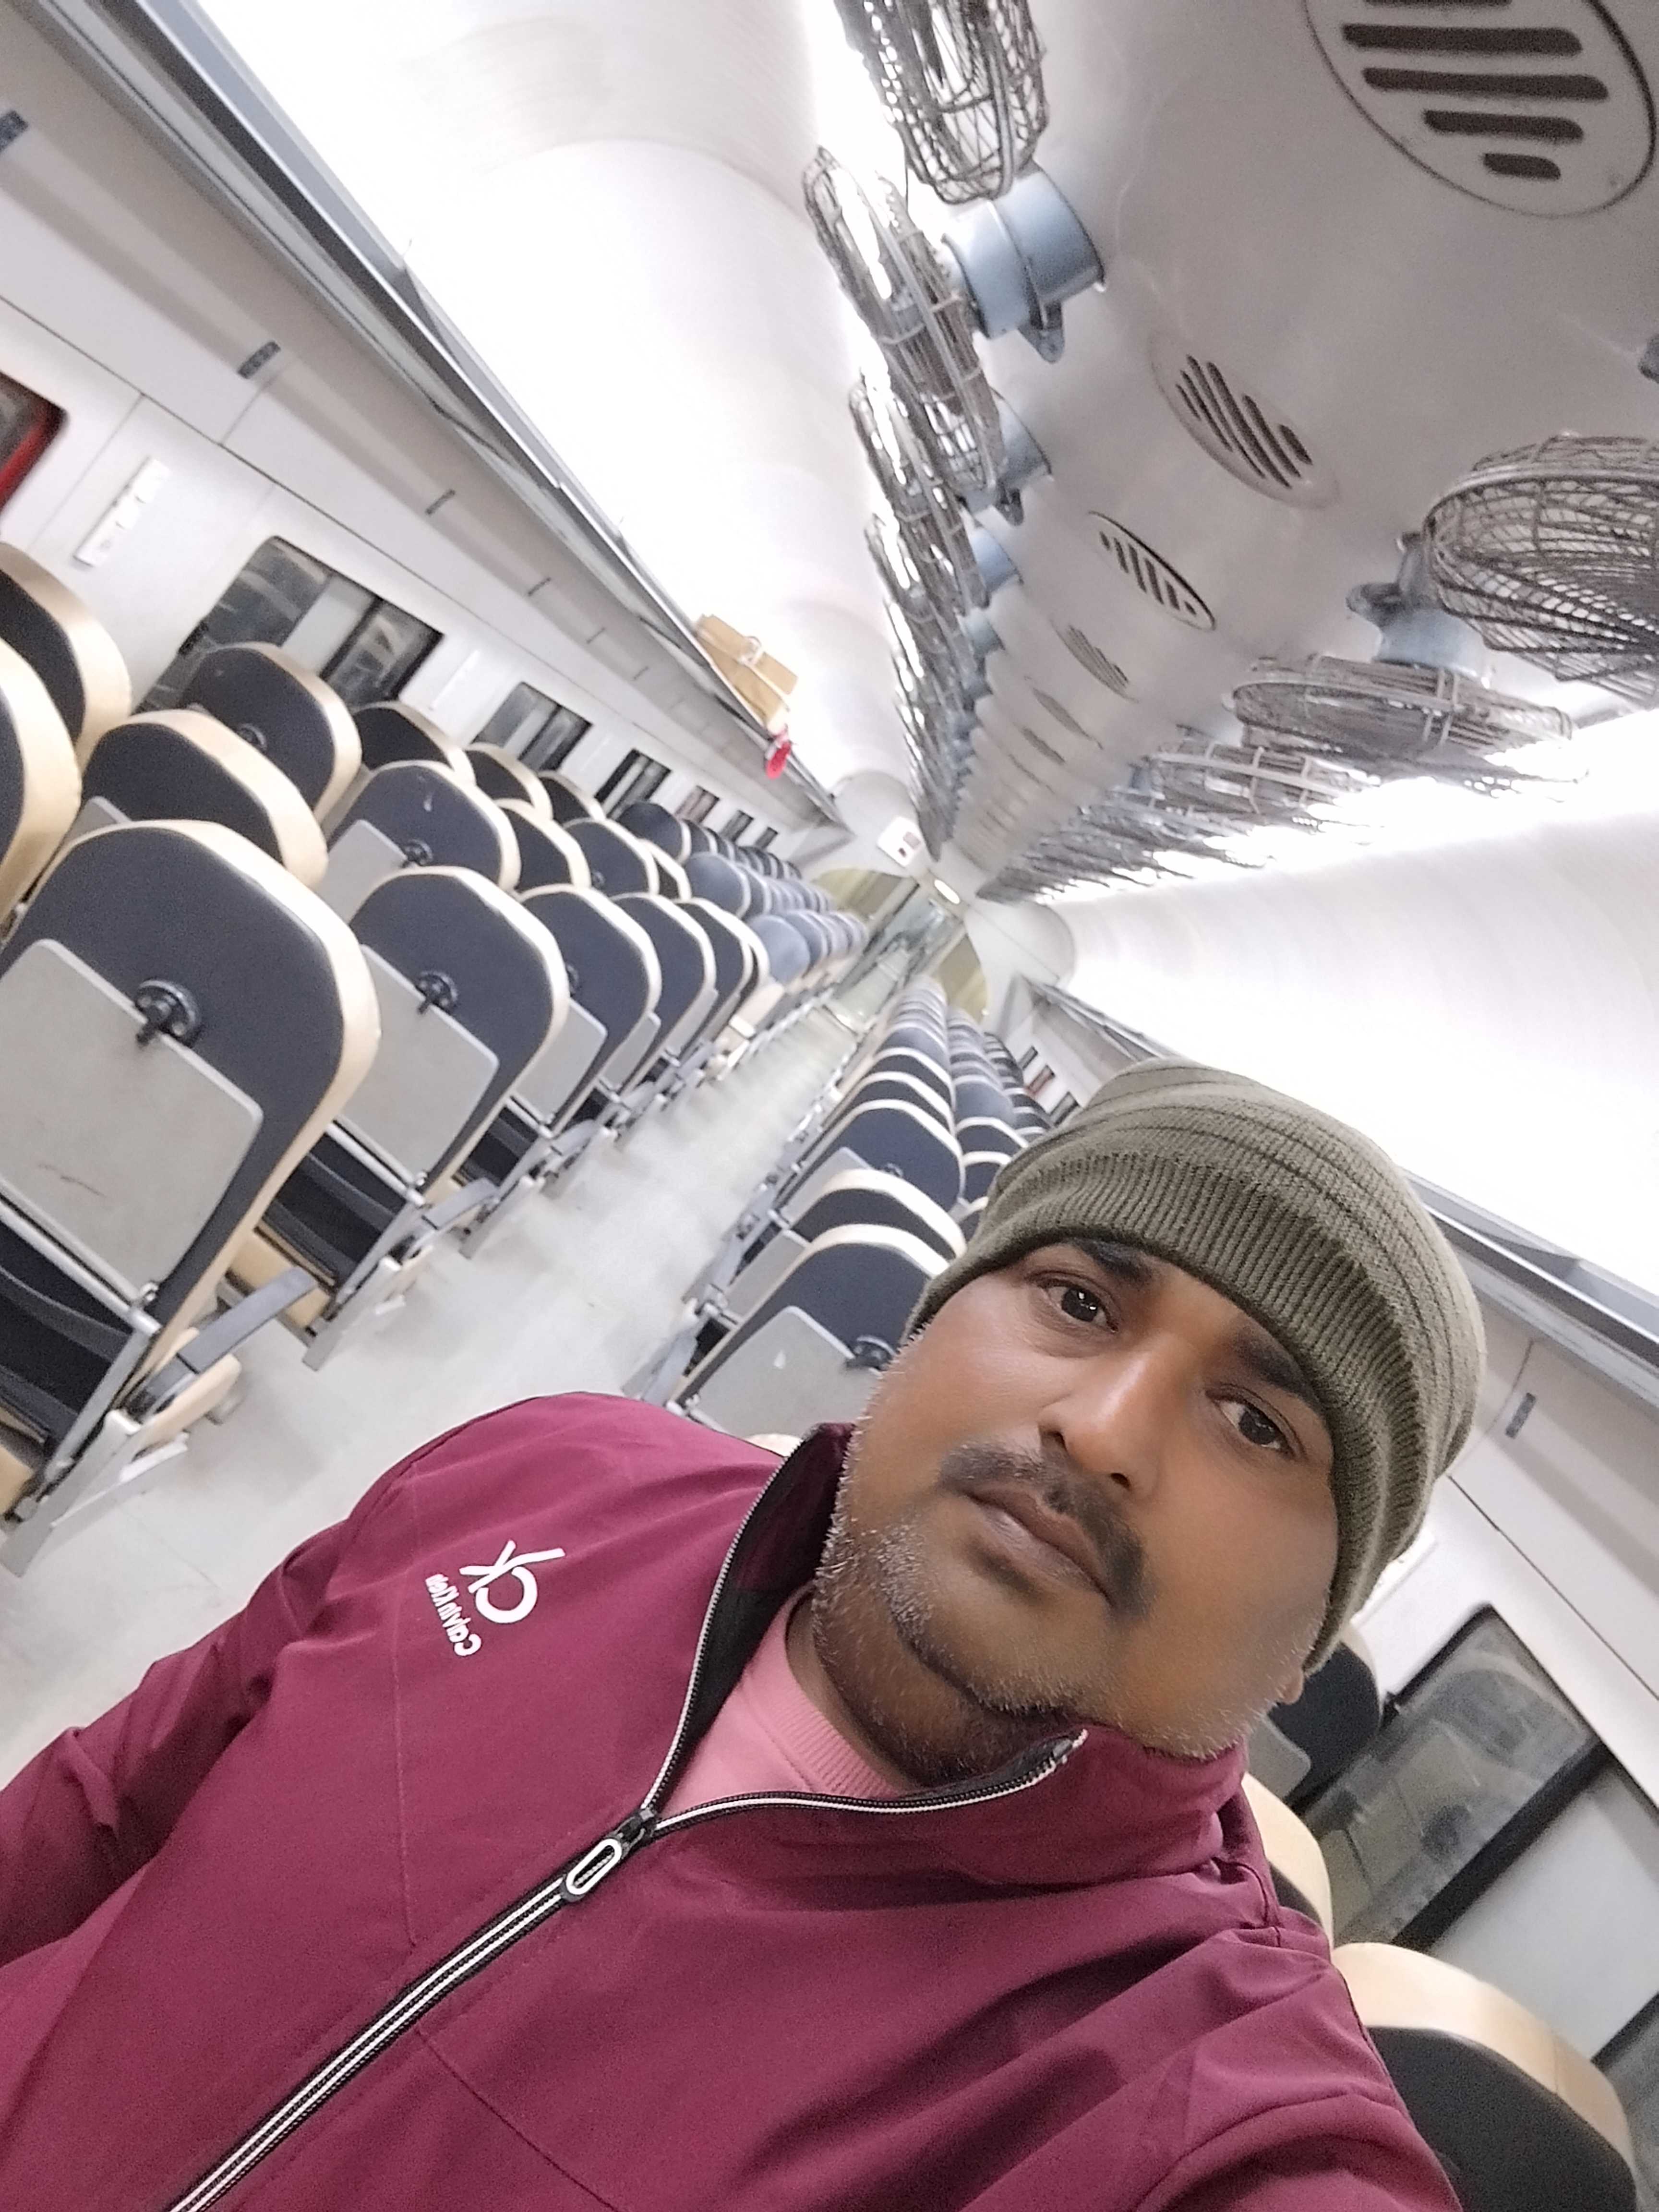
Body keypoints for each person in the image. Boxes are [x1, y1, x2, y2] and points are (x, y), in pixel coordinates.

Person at [0, 1061, 1483, 2212]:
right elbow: (106, 1808)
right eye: (1079, 1300)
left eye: (1256, 1423)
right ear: (934, 1322)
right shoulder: (549, 1473)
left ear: (1311, 1639)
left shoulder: (1191, 2100)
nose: (1102, 1428)